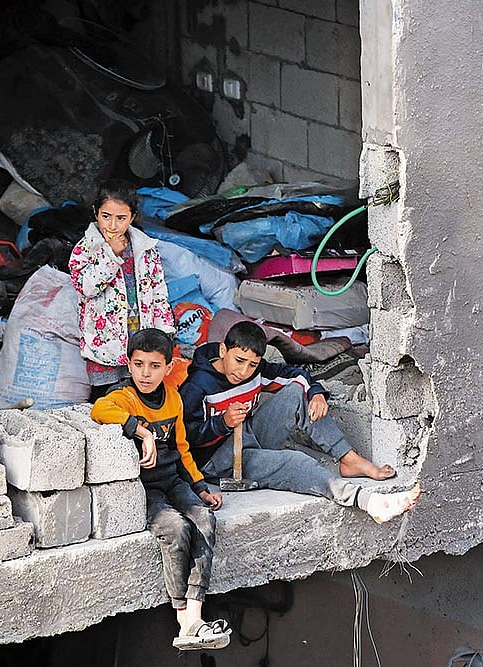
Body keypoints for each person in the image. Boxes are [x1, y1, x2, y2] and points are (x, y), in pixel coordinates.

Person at [179, 321, 421, 523]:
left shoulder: (256, 371)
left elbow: (296, 376)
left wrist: (315, 393)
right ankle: (368, 501)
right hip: (217, 460)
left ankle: (349, 459)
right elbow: (185, 439)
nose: (243, 371)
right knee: (294, 461)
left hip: (247, 436)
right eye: (239, 360)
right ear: (223, 350)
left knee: (297, 391)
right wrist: (222, 423)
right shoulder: (198, 385)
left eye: (252, 364)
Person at [92, 328, 231, 651]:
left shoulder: (173, 398)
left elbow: (182, 449)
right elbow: (99, 409)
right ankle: (184, 618)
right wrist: (142, 432)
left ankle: (195, 613)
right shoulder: (124, 396)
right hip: (146, 488)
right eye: (139, 364)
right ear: (128, 364)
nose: (146, 373)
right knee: (175, 528)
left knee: (204, 519)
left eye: (155, 366)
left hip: (173, 481)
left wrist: (200, 488)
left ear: (168, 367)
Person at [69, 180, 175, 401]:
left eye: (121, 218)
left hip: (141, 342)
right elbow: (87, 288)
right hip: (104, 346)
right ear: (95, 213)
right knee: (106, 402)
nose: (112, 225)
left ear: (132, 217)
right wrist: (110, 254)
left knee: (140, 400)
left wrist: (164, 333)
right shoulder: (85, 249)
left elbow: (158, 292)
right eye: (106, 216)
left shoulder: (145, 247)